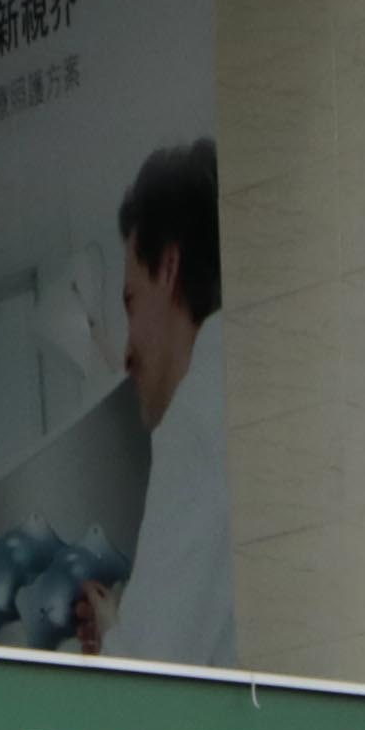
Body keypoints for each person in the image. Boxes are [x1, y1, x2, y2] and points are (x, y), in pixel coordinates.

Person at [87, 136, 233, 666]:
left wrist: (111, 632)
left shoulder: (194, 426)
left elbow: (151, 678)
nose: (126, 352)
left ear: (169, 269)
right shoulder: (252, 395)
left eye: (130, 302)